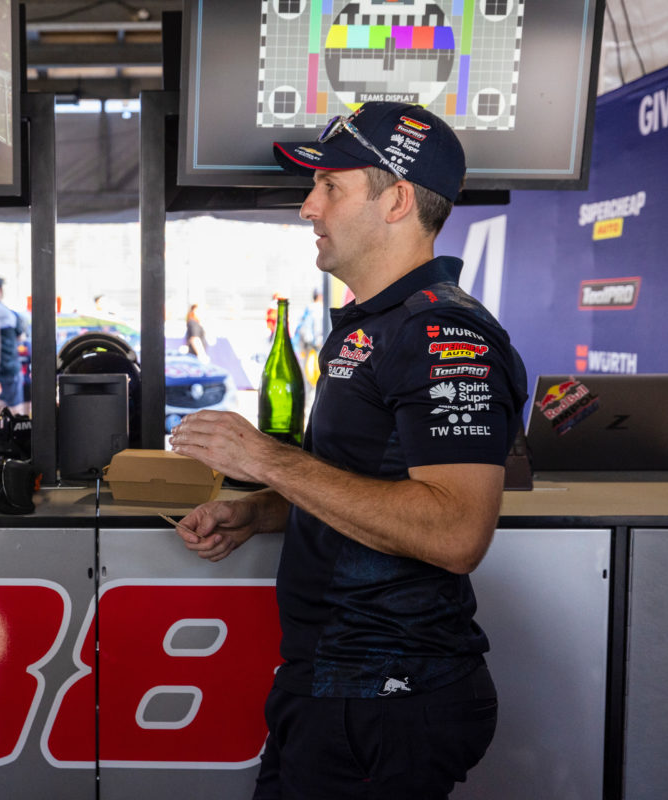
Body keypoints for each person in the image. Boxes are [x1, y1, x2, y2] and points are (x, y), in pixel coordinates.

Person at [167, 102, 528, 800]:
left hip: (385, 694)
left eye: (330, 187)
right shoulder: (372, 327)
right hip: (335, 683)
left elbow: (455, 531)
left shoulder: (444, 335)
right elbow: (364, 481)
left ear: (395, 200)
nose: (308, 207)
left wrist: (268, 460)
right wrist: (266, 511)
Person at [0, 274, 28, 416]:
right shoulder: (11, 315)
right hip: (9, 367)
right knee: (15, 409)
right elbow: (20, 336)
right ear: (1, 290)